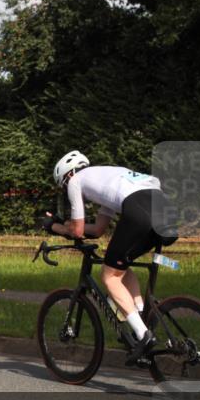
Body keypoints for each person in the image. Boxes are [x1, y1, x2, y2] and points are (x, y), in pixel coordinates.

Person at [38, 151, 176, 364]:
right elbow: (98, 229)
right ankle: (143, 318)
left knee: (109, 276)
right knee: (121, 266)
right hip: (163, 207)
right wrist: (65, 225)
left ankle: (143, 335)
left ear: (68, 175)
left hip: (139, 209)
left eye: (64, 186)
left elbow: (77, 231)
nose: (67, 189)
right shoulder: (109, 176)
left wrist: (53, 226)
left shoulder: (76, 180)